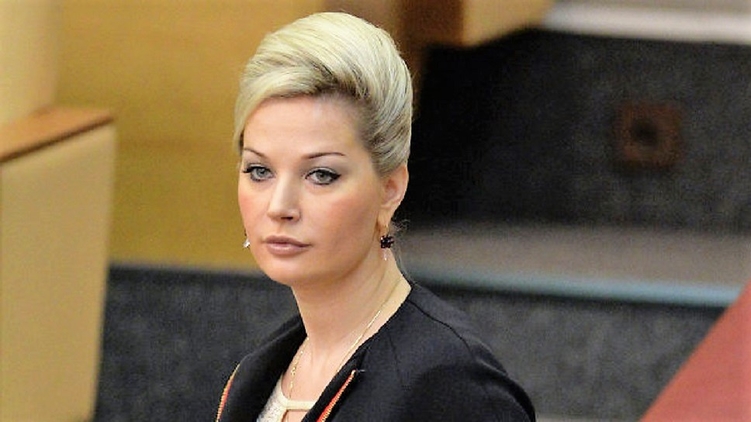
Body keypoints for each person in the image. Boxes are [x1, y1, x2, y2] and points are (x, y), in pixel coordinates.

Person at [215, 11, 535, 422]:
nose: (279, 206)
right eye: (260, 171)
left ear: (390, 190)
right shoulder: (263, 368)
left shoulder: (450, 383)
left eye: (321, 175)